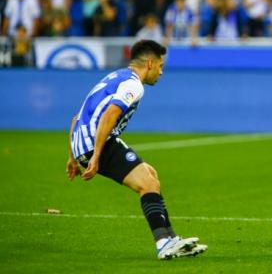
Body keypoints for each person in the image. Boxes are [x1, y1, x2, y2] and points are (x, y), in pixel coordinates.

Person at [66, 40, 207, 260]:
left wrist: (73, 157)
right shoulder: (134, 85)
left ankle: (171, 238)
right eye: (160, 66)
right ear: (150, 63)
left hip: (85, 143)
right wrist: (95, 156)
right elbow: (109, 115)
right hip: (97, 143)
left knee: (150, 175)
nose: (161, 72)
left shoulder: (115, 77)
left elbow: (77, 116)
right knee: (147, 184)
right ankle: (163, 243)